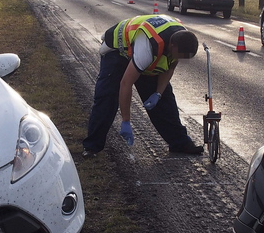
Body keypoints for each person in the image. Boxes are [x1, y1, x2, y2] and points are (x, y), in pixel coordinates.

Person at [83, 14, 204, 156]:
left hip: (144, 53)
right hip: (117, 51)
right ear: (172, 46)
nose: (180, 60)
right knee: (107, 98)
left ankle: (180, 143)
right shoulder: (147, 47)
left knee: (165, 100)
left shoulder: (182, 40)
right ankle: (92, 146)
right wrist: (126, 121)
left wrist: (158, 94)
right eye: (180, 56)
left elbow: (170, 68)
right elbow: (126, 84)